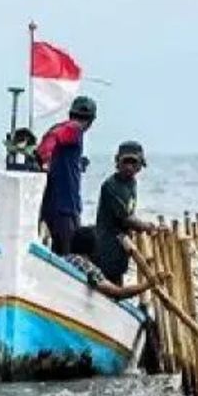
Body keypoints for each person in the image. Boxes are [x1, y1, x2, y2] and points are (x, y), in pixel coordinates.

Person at [35, 95, 97, 255]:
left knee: (61, 252)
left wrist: (79, 164)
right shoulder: (74, 128)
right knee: (69, 254)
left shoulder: (70, 131)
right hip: (63, 206)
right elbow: (53, 137)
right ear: (91, 121)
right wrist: (45, 157)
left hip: (59, 204)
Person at [93, 140, 159, 285]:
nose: (129, 167)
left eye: (133, 162)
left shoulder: (131, 183)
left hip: (121, 243)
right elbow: (126, 218)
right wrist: (148, 227)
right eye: (125, 162)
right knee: (110, 279)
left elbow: (129, 212)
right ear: (117, 162)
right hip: (108, 243)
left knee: (118, 275)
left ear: (141, 164)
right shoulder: (111, 186)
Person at [65, 223, 160, 300]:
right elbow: (118, 293)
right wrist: (147, 285)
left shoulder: (65, 260)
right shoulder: (89, 268)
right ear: (92, 249)